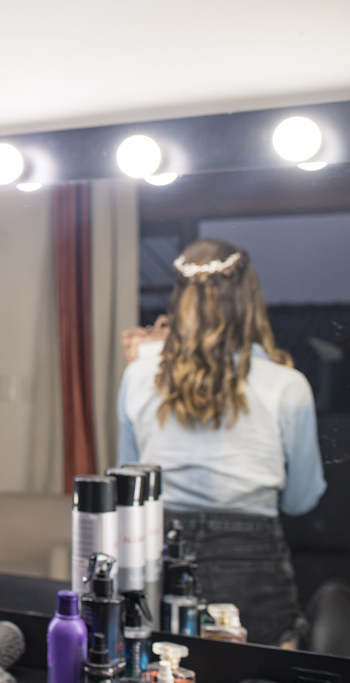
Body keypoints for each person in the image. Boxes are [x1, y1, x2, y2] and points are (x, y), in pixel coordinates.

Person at [117, 238, 326, 646]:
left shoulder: (138, 375)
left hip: (158, 549)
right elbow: (301, 500)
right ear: (250, 298)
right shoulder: (289, 386)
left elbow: (132, 480)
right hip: (252, 554)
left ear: (180, 299)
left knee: (163, 666)